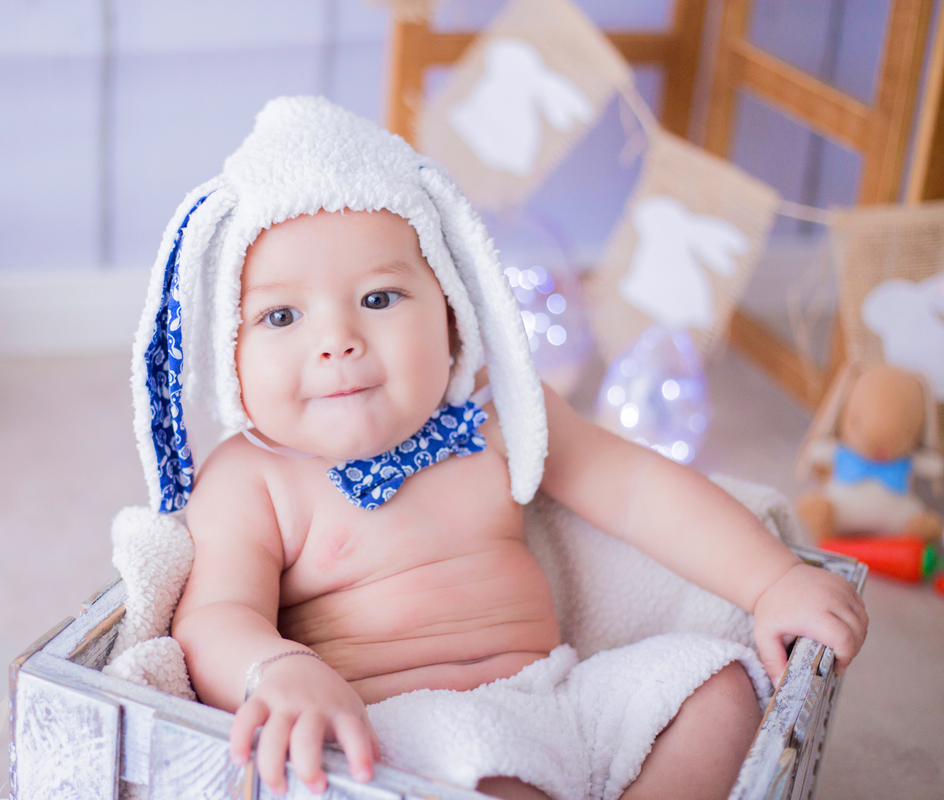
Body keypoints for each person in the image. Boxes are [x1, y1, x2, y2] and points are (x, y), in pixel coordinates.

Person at [138, 97, 867, 800]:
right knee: (485, 777)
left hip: (559, 695)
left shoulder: (494, 413)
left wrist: (771, 582)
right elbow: (214, 617)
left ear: (453, 309)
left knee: (718, 684)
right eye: (282, 314)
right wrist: (276, 670)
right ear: (228, 353)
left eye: (380, 298)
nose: (337, 340)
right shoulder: (250, 478)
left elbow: (639, 490)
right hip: (398, 735)